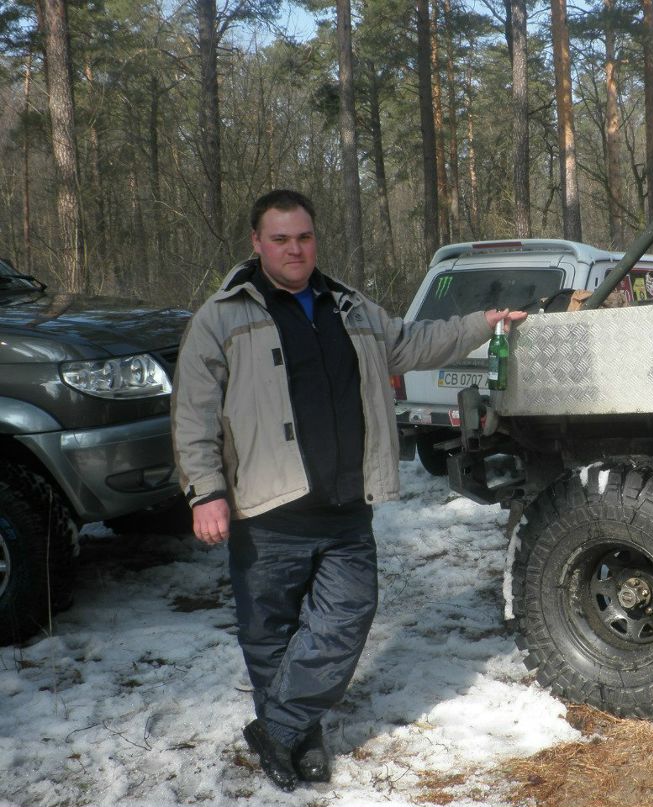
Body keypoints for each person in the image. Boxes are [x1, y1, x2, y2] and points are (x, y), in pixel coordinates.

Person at [171, 189, 526, 791]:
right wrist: (205, 491)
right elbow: (192, 412)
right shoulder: (222, 317)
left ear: (315, 240)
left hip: (345, 506)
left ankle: (276, 726)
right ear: (256, 244)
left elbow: (412, 343)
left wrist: (481, 325)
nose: (294, 248)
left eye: (303, 237)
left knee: (347, 619)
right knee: (270, 634)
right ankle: (299, 736)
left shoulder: (349, 307)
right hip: (268, 509)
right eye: (280, 238)